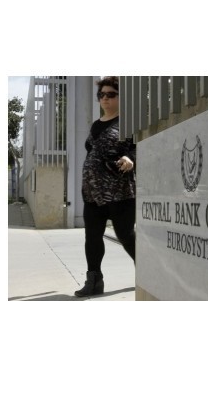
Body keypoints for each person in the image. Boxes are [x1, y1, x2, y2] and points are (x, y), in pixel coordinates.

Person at [75, 76, 136, 297]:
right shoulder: (96, 124)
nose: (105, 99)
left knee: (125, 234)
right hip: (92, 193)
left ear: (121, 97)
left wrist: (130, 158)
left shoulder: (127, 123)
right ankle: (94, 281)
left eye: (111, 94)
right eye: (101, 95)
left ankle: (147, 267)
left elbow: (137, 147)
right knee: (92, 236)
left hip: (119, 191)